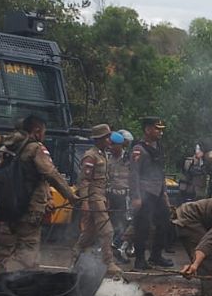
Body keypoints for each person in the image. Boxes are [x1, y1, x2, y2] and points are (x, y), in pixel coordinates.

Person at [0, 114, 79, 272]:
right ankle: (21, 285)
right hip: (29, 209)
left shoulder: (5, 148)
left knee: (5, 249)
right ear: (37, 130)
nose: (44, 135)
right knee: (28, 251)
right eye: (43, 132)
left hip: (7, 207)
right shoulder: (35, 148)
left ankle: (0, 282)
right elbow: (50, 174)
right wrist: (70, 195)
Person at [71, 123, 119, 275]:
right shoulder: (91, 156)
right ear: (99, 139)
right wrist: (85, 201)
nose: (109, 140)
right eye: (106, 137)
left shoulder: (102, 154)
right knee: (107, 231)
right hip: (93, 197)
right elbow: (84, 180)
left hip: (100, 197)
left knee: (89, 232)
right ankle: (108, 262)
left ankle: (75, 258)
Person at [129, 116, 172, 270]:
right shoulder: (138, 149)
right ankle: (140, 259)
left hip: (158, 192)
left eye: (161, 129)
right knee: (143, 226)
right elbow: (134, 174)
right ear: (147, 130)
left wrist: (165, 193)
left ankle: (156, 255)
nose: (160, 132)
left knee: (164, 222)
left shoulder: (159, 147)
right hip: (145, 192)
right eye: (157, 129)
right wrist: (136, 197)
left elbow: (161, 171)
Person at [107, 130, 133, 262]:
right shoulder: (107, 158)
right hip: (112, 196)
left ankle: (118, 248)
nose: (110, 147)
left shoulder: (129, 158)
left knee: (125, 223)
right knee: (113, 223)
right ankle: (113, 248)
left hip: (126, 197)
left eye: (113, 145)